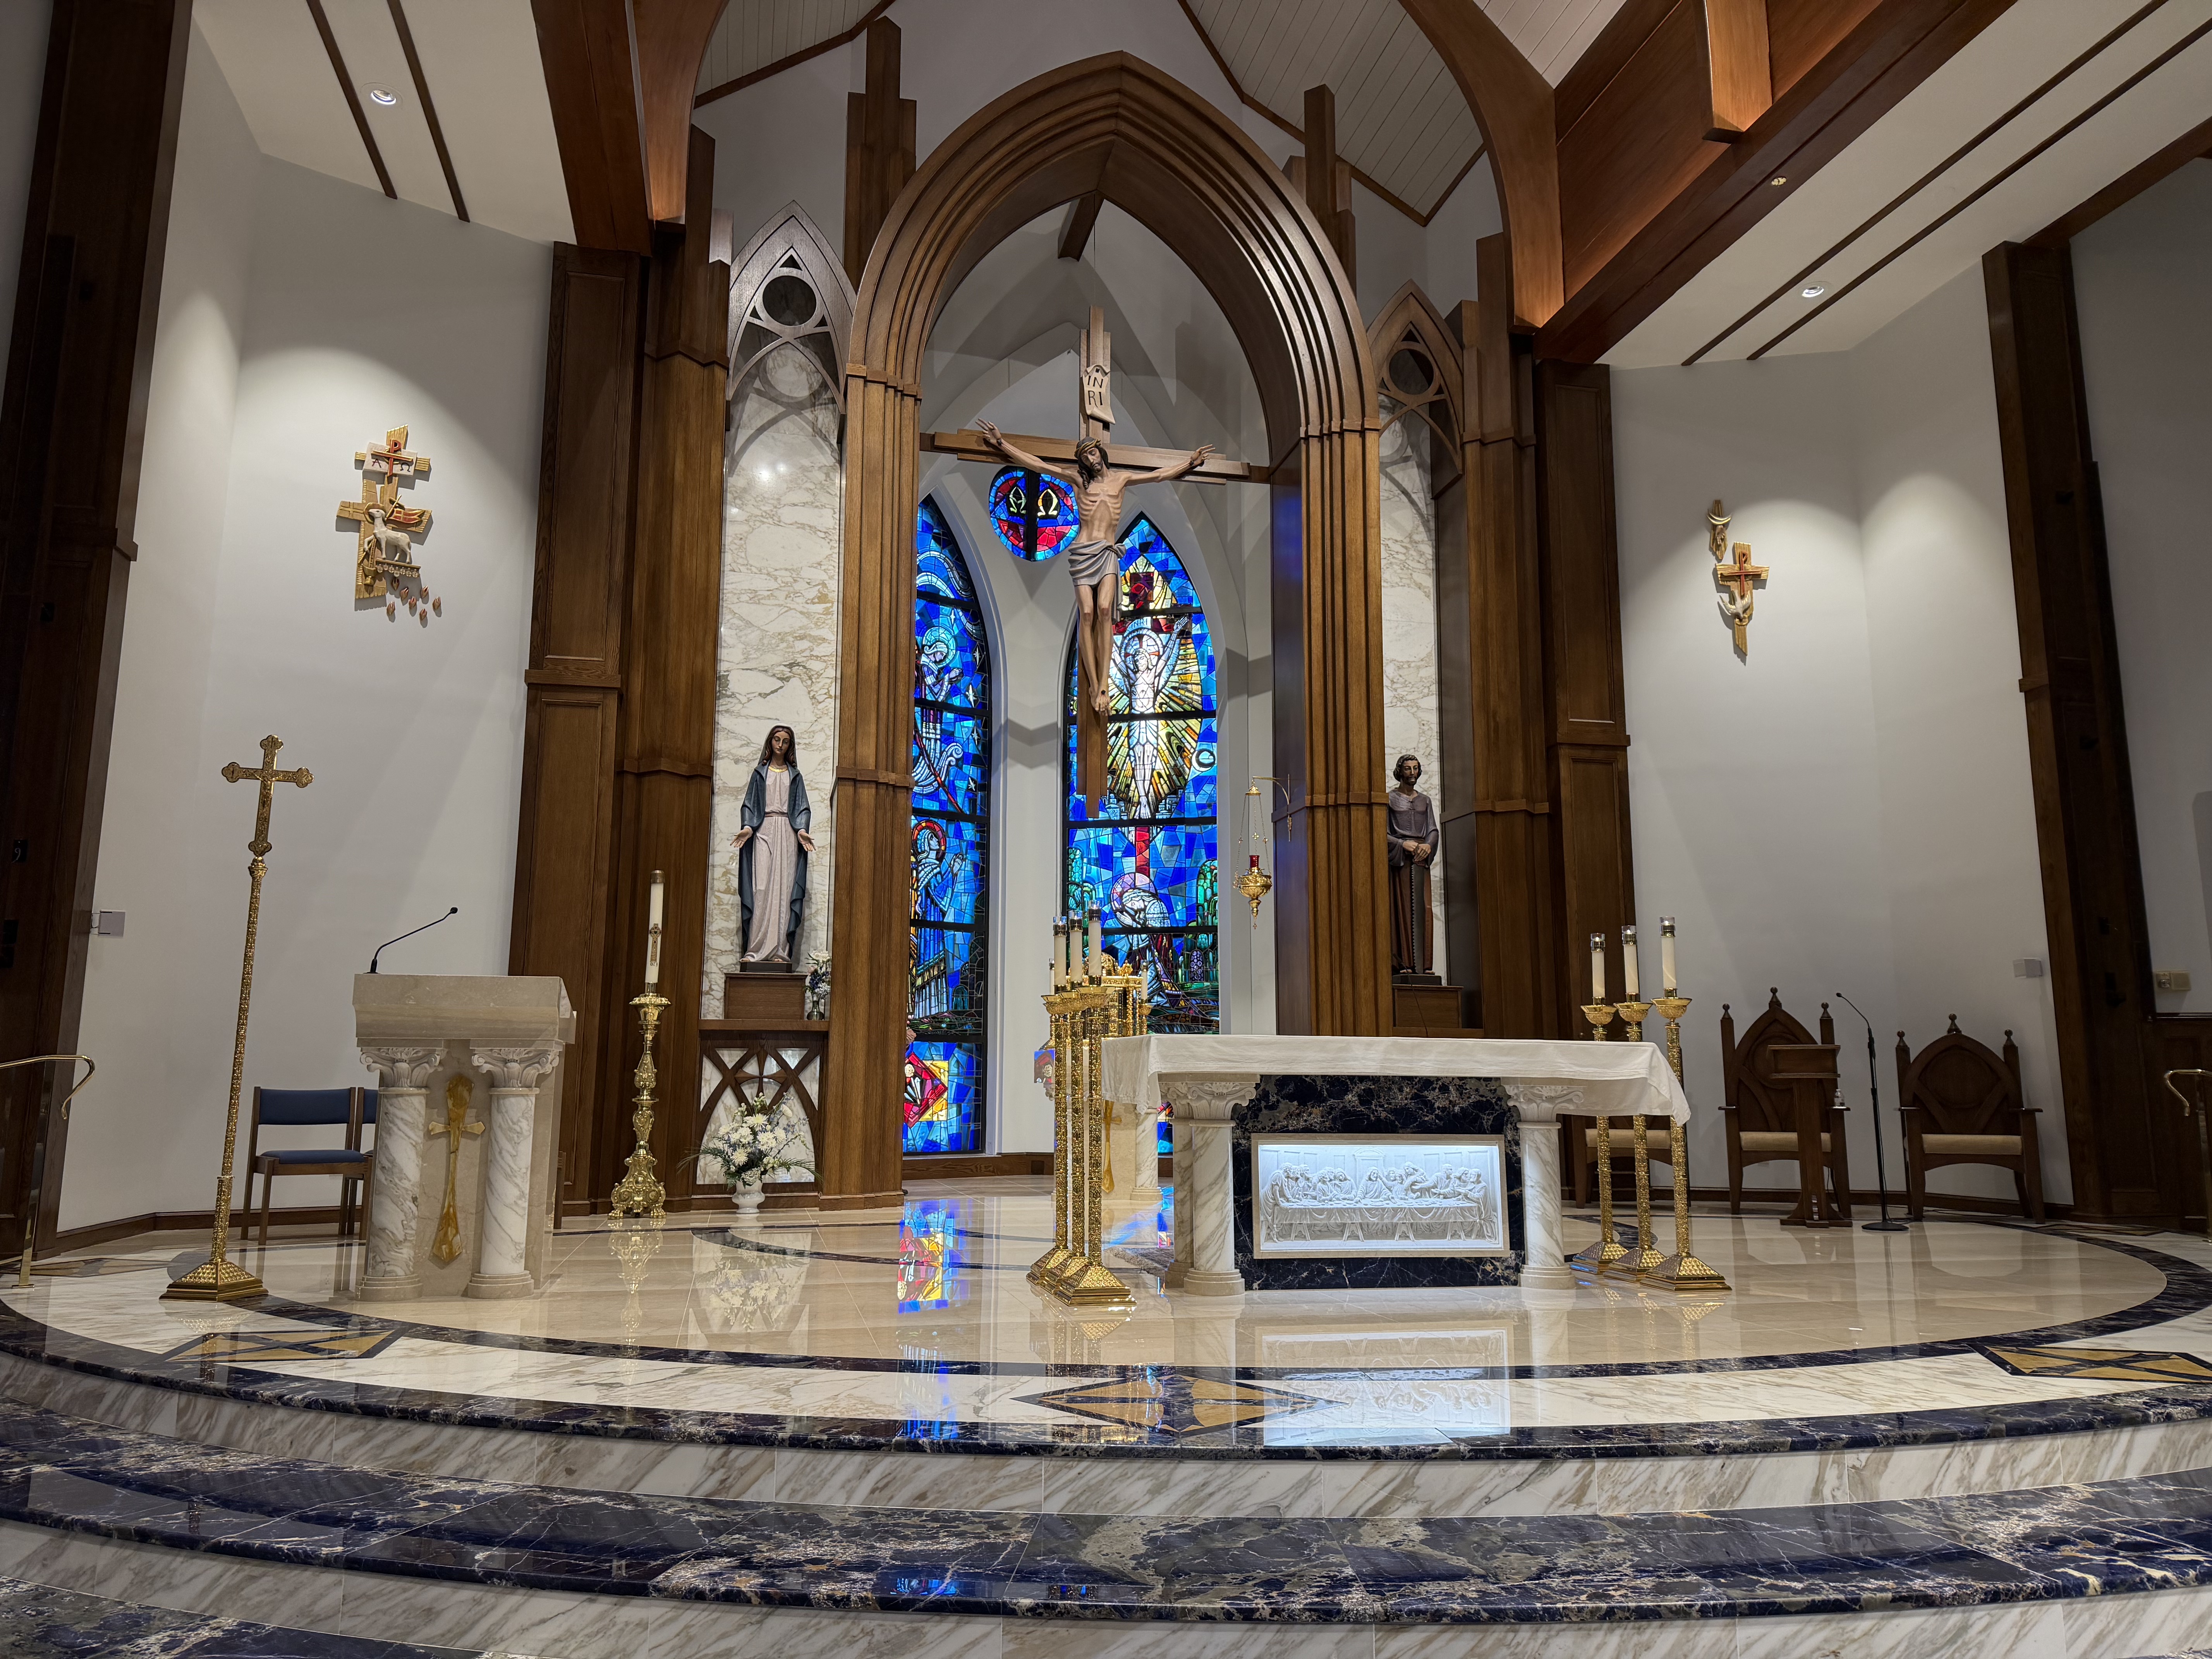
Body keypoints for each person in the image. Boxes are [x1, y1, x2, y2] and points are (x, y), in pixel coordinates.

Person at [976, 420, 1212, 713]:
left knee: (1104, 610)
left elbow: (1158, 476)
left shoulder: (1122, 479)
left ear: (1101, 452)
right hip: (1083, 552)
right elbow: (1038, 465)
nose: (1091, 459)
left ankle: (1104, 684)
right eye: (1085, 457)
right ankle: (1092, 684)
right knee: (1086, 614)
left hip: (1108, 552)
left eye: (1093, 452)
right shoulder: (1079, 481)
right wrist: (1002, 444)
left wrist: (1190, 463)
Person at [732, 725, 814, 964]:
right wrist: (748, 827)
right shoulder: (760, 773)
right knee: (761, 889)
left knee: (784, 890)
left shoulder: (795, 776)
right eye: (777, 740)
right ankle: (754, 950)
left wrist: (802, 830)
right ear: (770, 742)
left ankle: (780, 951)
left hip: (787, 834)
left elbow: (803, 808)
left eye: (785, 741)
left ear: (790, 746)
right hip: (763, 832)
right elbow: (750, 805)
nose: (780, 745)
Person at [1387, 753, 1438, 977]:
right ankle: (1404, 962)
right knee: (1402, 910)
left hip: (1420, 860)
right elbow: (1381, 833)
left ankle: (1425, 965)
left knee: (1425, 908)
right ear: (1400, 771)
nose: (1412, 773)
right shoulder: (1389, 799)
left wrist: (1428, 845)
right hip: (1400, 860)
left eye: (1416, 768)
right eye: (1408, 769)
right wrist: (1402, 844)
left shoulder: (1425, 800)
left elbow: (1433, 829)